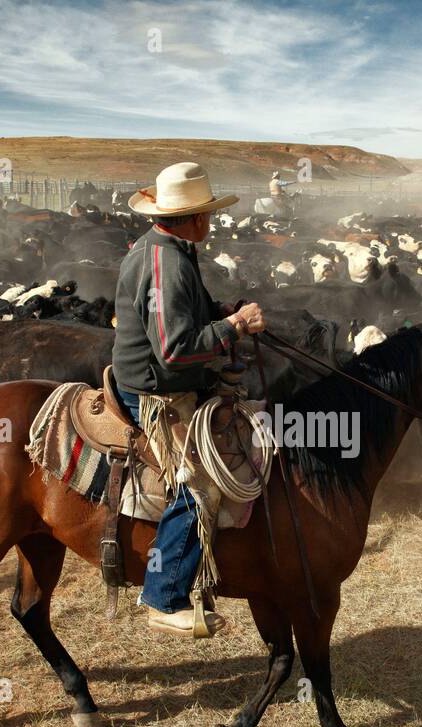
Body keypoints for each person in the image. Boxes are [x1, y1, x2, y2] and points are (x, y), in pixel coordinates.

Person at [113, 162, 266, 636]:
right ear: (197, 218)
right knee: (201, 480)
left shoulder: (163, 248)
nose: (211, 222)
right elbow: (175, 351)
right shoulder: (169, 262)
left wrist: (218, 312)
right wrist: (234, 327)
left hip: (149, 375)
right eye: (208, 214)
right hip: (158, 390)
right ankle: (163, 595)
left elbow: (180, 314)